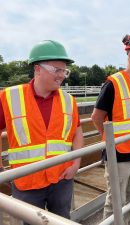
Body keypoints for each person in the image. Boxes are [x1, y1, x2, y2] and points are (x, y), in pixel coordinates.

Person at [0, 40, 84, 223]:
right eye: (57, 70)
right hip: (26, 181)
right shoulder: (9, 97)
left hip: (62, 179)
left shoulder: (68, 100)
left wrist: (76, 163)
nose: (62, 76)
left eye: (65, 71)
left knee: (62, 220)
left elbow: (77, 132)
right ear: (38, 69)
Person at [91, 33, 130, 225]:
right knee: (115, 202)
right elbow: (97, 117)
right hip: (119, 155)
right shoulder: (113, 83)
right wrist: (110, 142)